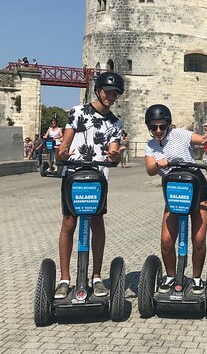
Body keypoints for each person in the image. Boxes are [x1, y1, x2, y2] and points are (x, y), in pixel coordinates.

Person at [53, 72, 125, 299]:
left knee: (97, 221)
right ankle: (65, 279)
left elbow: (113, 152)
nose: (111, 96)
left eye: (115, 93)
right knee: (69, 222)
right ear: (98, 90)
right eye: (107, 91)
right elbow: (65, 144)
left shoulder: (115, 123)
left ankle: (96, 277)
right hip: (74, 173)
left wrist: (115, 156)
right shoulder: (77, 112)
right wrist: (61, 154)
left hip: (98, 176)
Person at [144, 104, 207, 294]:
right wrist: (158, 164)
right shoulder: (150, 146)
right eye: (154, 127)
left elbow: (203, 141)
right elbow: (150, 170)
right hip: (174, 190)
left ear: (168, 124)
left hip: (196, 186)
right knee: (167, 241)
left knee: (199, 239)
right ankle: (170, 275)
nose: (158, 130)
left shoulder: (180, 135)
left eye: (162, 126)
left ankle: (197, 278)